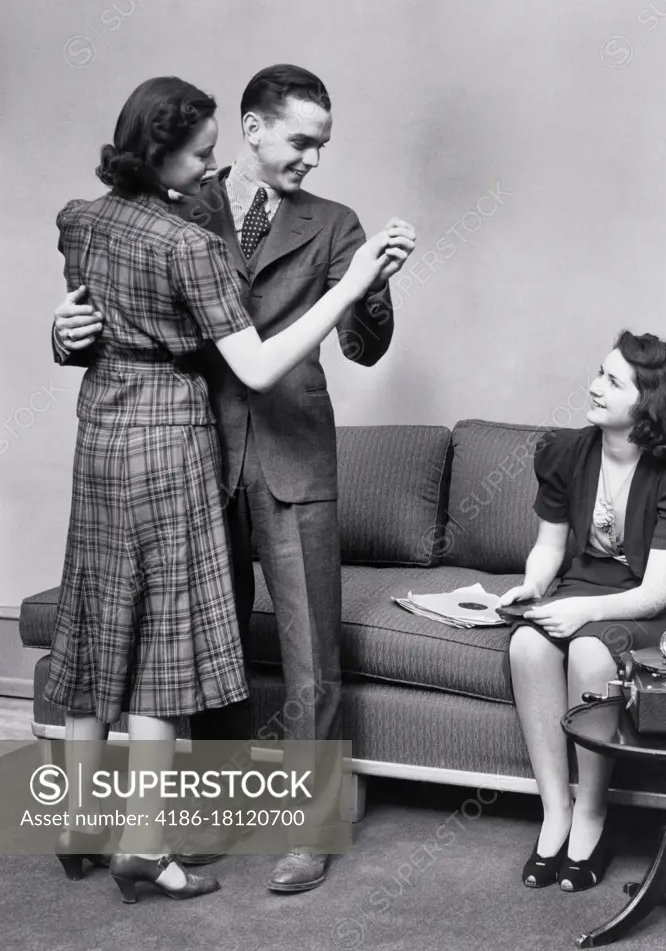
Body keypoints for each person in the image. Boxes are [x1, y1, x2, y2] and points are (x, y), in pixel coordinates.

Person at [47, 75, 414, 904]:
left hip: (290, 459)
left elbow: (363, 346)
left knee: (311, 655)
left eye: (323, 144)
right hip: (187, 457)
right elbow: (112, 306)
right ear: (253, 129)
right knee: (210, 648)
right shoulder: (174, 197)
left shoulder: (336, 225)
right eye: (300, 141)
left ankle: (311, 833)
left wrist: (372, 281)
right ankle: (210, 815)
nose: (314, 157)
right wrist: (64, 335)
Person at [499, 331, 666, 892]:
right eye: (600, 372)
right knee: (526, 641)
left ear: (648, 404)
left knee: (591, 651)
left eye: (612, 381)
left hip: (650, 604)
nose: (592, 386)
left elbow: (657, 592)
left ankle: (592, 816)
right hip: (582, 584)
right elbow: (549, 545)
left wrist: (580, 614)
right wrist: (533, 585)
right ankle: (555, 813)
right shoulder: (565, 452)